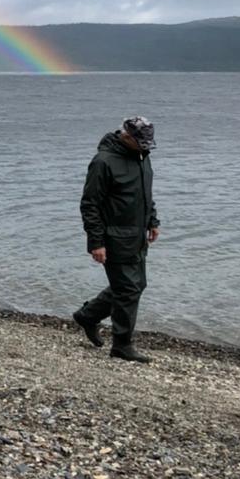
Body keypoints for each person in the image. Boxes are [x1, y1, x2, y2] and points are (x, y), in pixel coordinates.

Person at [74, 115, 160, 363]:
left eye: (148, 144)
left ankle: (88, 316)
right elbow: (90, 205)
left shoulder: (142, 157)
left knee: (135, 285)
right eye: (141, 143)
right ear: (126, 136)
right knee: (127, 289)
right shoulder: (103, 162)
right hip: (113, 237)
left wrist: (153, 221)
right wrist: (96, 242)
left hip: (137, 236)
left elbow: (145, 194)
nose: (146, 147)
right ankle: (122, 345)